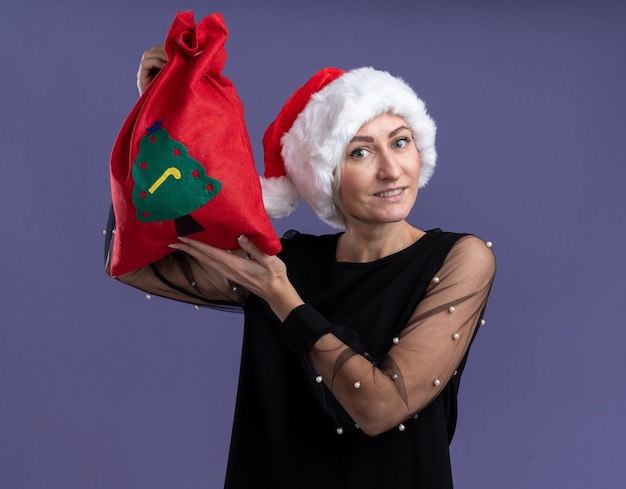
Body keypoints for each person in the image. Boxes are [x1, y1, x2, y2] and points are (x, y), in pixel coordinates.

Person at [105, 45, 496, 488]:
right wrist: (156, 119)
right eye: (360, 153)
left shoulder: (459, 258)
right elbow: (132, 260)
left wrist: (280, 295)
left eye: (400, 142)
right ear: (325, 174)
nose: (391, 170)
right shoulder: (283, 263)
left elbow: (379, 407)